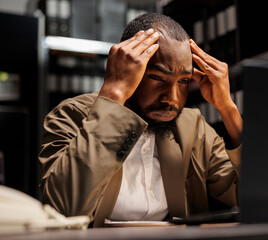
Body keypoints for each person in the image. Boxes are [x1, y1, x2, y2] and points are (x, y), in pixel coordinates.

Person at [39, 13, 242, 227]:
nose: (172, 99)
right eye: (157, 78)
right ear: (126, 67)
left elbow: (254, 196)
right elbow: (64, 210)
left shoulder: (192, 127)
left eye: (184, 81)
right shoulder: (70, 115)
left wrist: (227, 107)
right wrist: (114, 94)